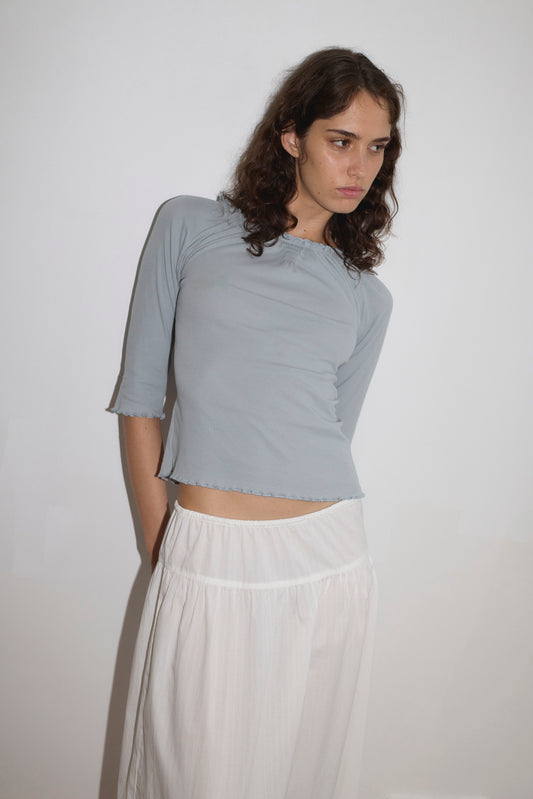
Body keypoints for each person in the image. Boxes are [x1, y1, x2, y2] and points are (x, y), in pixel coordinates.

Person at [109, 46, 403, 799]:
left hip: (328, 554)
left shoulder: (365, 297)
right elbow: (142, 400)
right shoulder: (190, 228)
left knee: (300, 779)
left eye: (377, 147)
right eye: (341, 140)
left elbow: (332, 433)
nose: (359, 166)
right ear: (289, 134)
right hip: (209, 546)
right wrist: (164, 548)